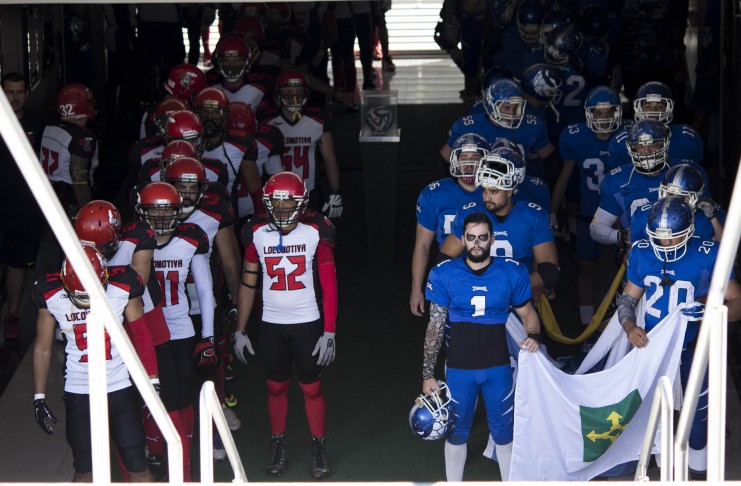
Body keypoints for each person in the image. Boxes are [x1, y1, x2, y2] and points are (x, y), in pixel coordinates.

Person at [618, 196, 741, 479]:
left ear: (690, 231)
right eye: (660, 237)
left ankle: (699, 474)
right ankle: (661, 472)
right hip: (653, 348)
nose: (666, 243)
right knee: (651, 413)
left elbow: (737, 302)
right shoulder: (642, 252)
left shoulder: (708, 253)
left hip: (694, 349)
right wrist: (629, 326)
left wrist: (711, 312)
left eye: (673, 237)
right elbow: (627, 300)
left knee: (697, 417)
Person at [422, 211, 541, 481]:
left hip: (497, 366)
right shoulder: (445, 273)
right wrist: (428, 374)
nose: (477, 243)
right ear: (462, 239)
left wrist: (534, 335)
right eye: (471, 237)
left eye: (482, 238)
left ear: (492, 239)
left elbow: (528, 314)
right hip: (459, 368)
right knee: (456, 432)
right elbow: (434, 328)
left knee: (504, 432)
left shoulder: (510, 272)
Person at [234, 172, 338, 479]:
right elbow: (248, 282)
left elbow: (329, 284)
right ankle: (278, 442)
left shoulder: (316, 230)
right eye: (276, 203)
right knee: (275, 386)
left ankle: (318, 444)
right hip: (271, 323)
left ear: (301, 203)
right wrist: (240, 329)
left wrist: (329, 330)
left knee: (312, 388)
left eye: (287, 202)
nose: (281, 209)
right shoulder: (256, 232)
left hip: (307, 321)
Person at [32, 245, 154, 483]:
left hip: (119, 385)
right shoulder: (51, 295)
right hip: (79, 390)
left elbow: (141, 335)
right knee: (85, 467)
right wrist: (39, 396)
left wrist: (152, 379)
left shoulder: (121, 287)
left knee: (136, 462)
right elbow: (43, 348)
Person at [135, 182, 214, 481]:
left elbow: (204, 289)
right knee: (150, 394)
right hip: (145, 329)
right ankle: (156, 453)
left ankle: (182, 456)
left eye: (166, 210)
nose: (160, 217)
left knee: (182, 393)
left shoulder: (191, 238)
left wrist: (207, 335)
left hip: (180, 327)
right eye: (153, 211)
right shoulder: (132, 241)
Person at [440, 147, 559, 302]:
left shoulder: (533, 216)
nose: (487, 197)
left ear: (510, 191)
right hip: (474, 297)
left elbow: (550, 271)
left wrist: (504, 291)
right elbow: (444, 262)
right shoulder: (469, 214)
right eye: (484, 190)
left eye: (494, 191)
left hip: (517, 299)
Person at [551, 86, 622, 325]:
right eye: (598, 113)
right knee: (586, 268)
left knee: (628, 268)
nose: (604, 118)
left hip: (621, 214)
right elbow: (564, 176)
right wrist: (553, 211)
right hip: (589, 212)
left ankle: (621, 324)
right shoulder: (576, 136)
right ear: (589, 114)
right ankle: (587, 326)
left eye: (609, 112)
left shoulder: (627, 137)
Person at [410, 133, 489, 316]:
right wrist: (416, 289)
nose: (469, 164)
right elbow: (422, 245)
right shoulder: (434, 194)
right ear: (455, 160)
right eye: (464, 157)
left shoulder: (495, 194)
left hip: (490, 274)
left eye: (475, 157)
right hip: (451, 272)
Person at [261, 71, 342, 217]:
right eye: (288, 92)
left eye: (298, 92)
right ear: (278, 95)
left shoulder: (318, 119)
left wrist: (335, 192)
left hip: (309, 191)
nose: (294, 97)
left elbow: (330, 159)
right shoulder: (266, 121)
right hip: (277, 194)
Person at [0, 72, 44, 340]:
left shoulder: (38, 125)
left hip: (24, 207)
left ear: (26, 94)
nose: (15, 98)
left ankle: (12, 316)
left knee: (17, 263)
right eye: (9, 93)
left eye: (19, 92)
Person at [441, 78, 555, 181]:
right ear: (491, 105)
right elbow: (443, 160)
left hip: (515, 184)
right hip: (476, 186)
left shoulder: (532, 126)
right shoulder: (466, 127)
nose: (512, 113)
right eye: (506, 107)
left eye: (516, 107)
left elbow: (550, 160)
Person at [607, 81, 704, 169]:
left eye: (660, 106)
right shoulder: (621, 142)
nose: (653, 111)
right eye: (647, 106)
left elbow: (696, 175)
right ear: (638, 108)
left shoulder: (687, 138)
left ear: (668, 108)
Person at [39, 83, 99, 217]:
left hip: (49, 194)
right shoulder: (83, 136)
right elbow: (80, 182)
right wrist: (88, 214)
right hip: (71, 199)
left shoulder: (48, 127)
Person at [630, 164, 725, 244]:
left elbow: (725, 250)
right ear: (661, 191)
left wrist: (713, 217)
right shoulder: (642, 214)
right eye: (670, 194)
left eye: (682, 197)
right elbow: (634, 253)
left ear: (697, 196)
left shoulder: (712, 215)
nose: (674, 200)